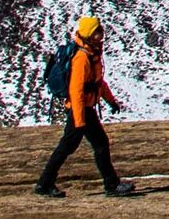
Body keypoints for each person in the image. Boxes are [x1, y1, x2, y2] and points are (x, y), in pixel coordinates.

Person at [35, 14, 140, 198]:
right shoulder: (82, 58)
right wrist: (79, 119)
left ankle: (109, 184)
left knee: (94, 144)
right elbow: (76, 91)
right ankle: (46, 184)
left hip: (84, 109)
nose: (102, 34)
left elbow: (98, 83)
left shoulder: (92, 54)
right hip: (80, 110)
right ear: (90, 34)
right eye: (98, 31)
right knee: (73, 146)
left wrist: (111, 101)